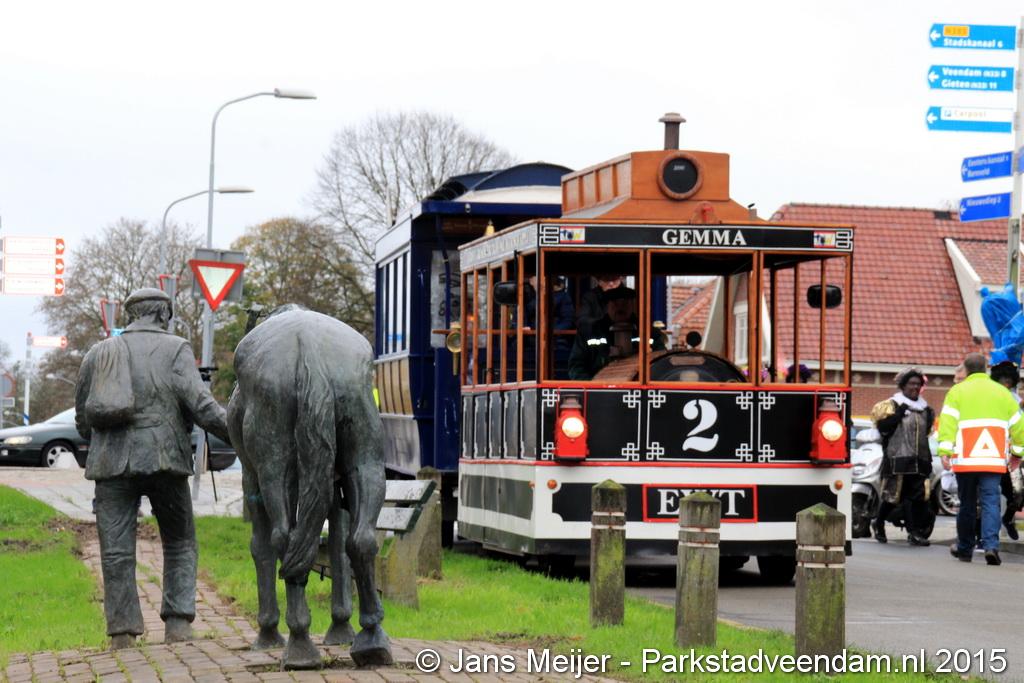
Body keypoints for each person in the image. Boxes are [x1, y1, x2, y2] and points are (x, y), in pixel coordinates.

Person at [76, 288, 231, 648]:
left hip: (111, 462)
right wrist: (240, 432)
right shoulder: (175, 349)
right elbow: (202, 407)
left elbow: (83, 416)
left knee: (115, 549)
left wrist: (103, 442)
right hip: (164, 459)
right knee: (179, 540)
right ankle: (177, 623)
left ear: (131, 315)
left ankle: (122, 631)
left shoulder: (99, 352)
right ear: (163, 314)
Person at [937, 352, 1024, 566]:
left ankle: (965, 548)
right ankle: (991, 546)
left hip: (966, 460)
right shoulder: (1002, 393)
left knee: (967, 503)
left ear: (966, 370)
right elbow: (1019, 427)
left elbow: (948, 423)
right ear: (986, 368)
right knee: (990, 502)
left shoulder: (957, 391)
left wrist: (945, 451)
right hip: (992, 460)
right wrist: (1017, 454)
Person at [869, 368, 934, 546]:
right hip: (897, 458)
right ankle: (879, 523)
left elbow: (925, 435)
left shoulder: (926, 410)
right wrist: (899, 414)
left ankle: (913, 533)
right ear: (903, 385)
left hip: (919, 460)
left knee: (914, 498)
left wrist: (928, 460)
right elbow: (883, 429)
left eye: (918, 384)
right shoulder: (892, 405)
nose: (915, 387)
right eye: (911, 383)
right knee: (893, 497)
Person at [568, 285, 665, 380]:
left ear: (632, 306)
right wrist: (593, 386)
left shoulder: (650, 333)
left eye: (625, 303)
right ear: (607, 306)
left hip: (636, 385)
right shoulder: (589, 333)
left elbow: (662, 362)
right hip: (599, 386)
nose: (620, 307)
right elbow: (576, 366)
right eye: (615, 303)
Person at [989, 361, 1023, 541]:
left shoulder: (1015, 399)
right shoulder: (989, 396)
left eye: (1009, 381)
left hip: (1011, 457)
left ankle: (1008, 518)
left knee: (1019, 493)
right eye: (1003, 380)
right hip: (992, 454)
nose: (1006, 384)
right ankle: (984, 535)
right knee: (988, 496)